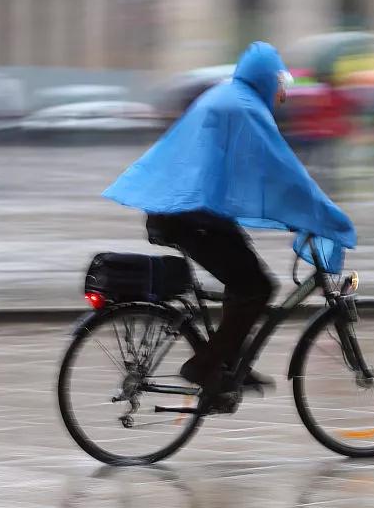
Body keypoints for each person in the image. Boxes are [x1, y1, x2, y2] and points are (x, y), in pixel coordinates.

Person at [103, 42, 356, 403]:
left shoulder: (229, 96)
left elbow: (249, 172)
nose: (283, 93)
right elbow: (283, 171)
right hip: (189, 215)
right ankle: (206, 365)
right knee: (257, 287)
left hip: (185, 210)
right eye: (281, 82)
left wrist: (292, 212)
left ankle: (229, 361)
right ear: (267, 78)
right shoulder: (245, 107)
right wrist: (325, 215)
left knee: (245, 276)